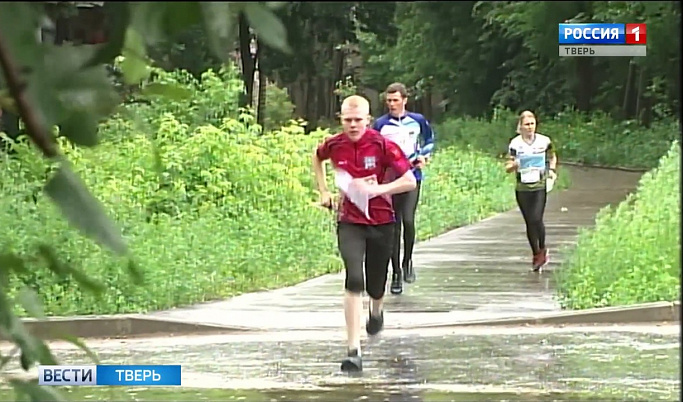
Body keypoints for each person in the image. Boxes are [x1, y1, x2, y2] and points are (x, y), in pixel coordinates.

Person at [312, 95, 417, 372]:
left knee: (375, 284)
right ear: (341, 120)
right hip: (350, 221)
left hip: (382, 221)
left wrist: (378, 190)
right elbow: (318, 156)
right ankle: (352, 350)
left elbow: (408, 181)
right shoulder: (335, 144)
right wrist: (323, 191)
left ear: (368, 120)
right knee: (354, 278)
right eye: (347, 120)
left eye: (358, 120)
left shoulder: (382, 145)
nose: (353, 125)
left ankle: (376, 310)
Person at [372, 83, 435, 295]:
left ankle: (408, 260)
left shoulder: (417, 120)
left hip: (412, 176)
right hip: (391, 180)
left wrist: (423, 156)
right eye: (388, 101)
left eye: (395, 100)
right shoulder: (380, 124)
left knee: (408, 220)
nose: (391, 104)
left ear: (404, 100)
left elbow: (430, 140)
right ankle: (396, 273)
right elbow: (372, 147)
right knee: (394, 225)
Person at [505, 110, 558, 272]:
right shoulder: (515, 144)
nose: (530, 127)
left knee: (536, 218)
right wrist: (515, 165)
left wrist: (552, 170)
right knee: (529, 222)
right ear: (520, 126)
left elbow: (552, 156)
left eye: (532, 124)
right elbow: (507, 166)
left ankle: (542, 248)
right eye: (526, 125)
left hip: (539, 185)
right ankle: (536, 254)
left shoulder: (544, 141)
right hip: (522, 188)